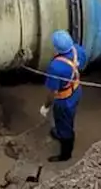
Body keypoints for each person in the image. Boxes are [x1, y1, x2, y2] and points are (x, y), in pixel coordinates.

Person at [39, 29, 86, 163]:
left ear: (56, 48)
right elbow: (83, 64)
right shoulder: (78, 50)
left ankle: (66, 154)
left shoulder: (56, 67)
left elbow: (52, 92)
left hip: (64, 100)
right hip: (76, 91)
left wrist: (46, 106)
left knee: (64, 122)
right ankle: (60, 132)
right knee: (66, 119)